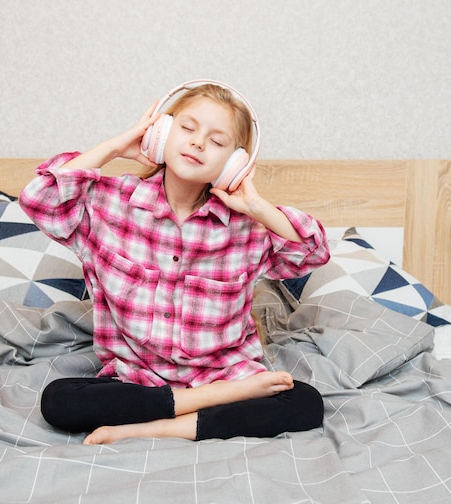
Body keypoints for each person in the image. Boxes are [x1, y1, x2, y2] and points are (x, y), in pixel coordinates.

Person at [19, 81, 330, 445]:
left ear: (235, 163)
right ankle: (205, 403)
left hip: (226, 375)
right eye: (186, 128)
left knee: (306, 402)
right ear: (160, 134)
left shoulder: (249, 228)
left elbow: (313, 251)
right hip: (137, 382)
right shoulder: (108, 204)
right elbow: (39, 198)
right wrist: (117, 147)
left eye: (217, 141)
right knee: (58, 400)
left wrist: (257, 206)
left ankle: (158, 426)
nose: (198, 143)